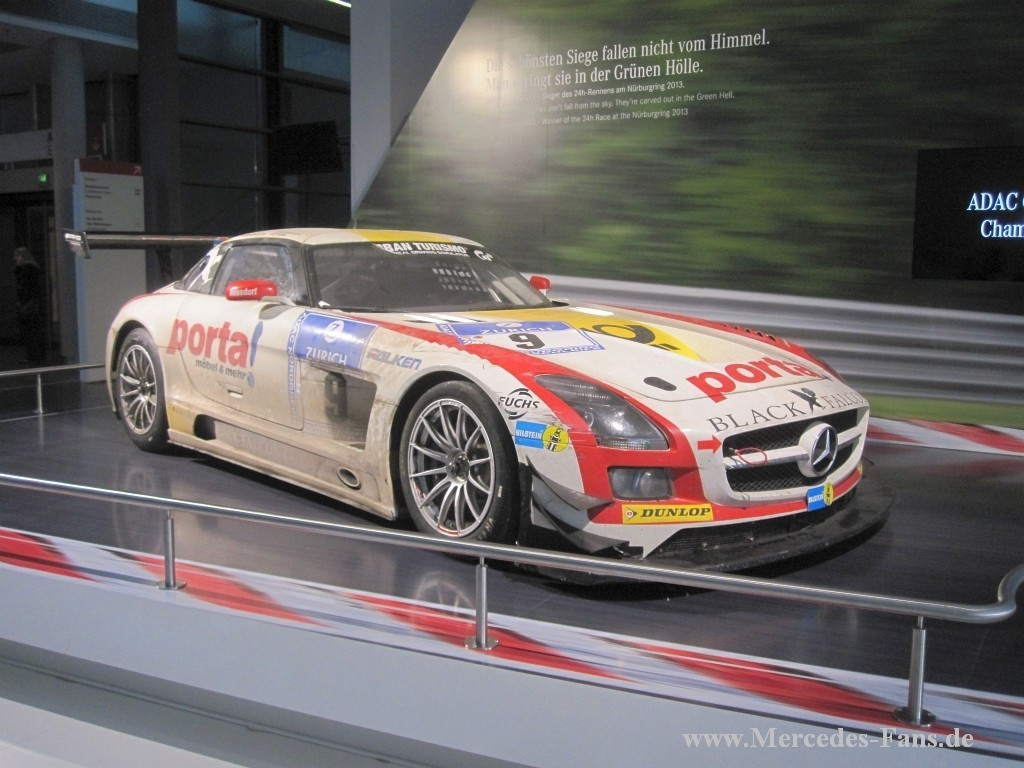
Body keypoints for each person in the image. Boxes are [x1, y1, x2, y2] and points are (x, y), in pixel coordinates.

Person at [13, 246, 46, 366]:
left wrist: (22, 302)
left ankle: (33, 356)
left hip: (28, 304)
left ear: (22, 257)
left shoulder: (27, 269)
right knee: (34, 331)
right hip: (33, 303)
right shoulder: (34, 268)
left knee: (30, 331)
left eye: (17, 256)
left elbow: (25, 287)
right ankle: (38, 355)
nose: (16, 259)